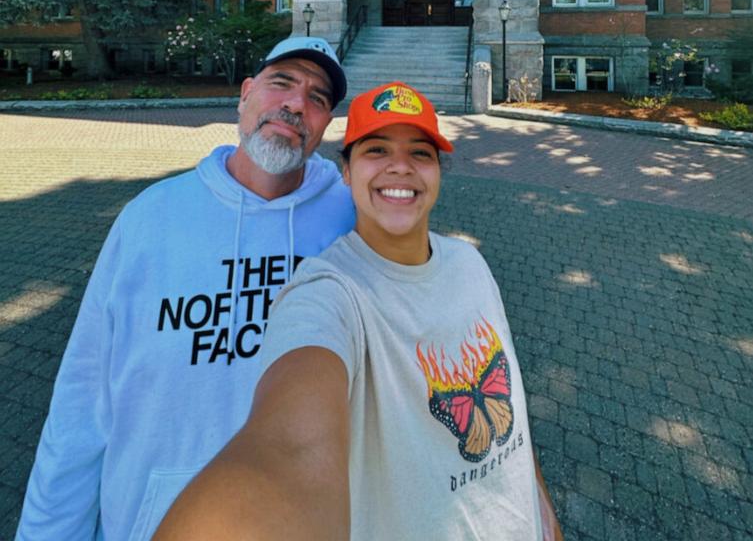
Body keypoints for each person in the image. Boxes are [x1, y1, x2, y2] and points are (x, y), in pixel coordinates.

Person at [155, 81, 563, 541]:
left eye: (421, 153)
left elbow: (512, 415)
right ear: (344, 172)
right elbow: (290, 445)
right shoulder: (328, 294)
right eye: (376, 150)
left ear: (439, 173)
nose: (401, 167)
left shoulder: (470, 263)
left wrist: (542, 509)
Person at [16, 37, 356, 541]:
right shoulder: (149, 218)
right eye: (281, 83)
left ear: (326, 125)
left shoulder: (351, 221)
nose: (295, 104)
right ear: (244, 95)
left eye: (318, 97)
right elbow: (83, 400)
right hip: (152, 520)